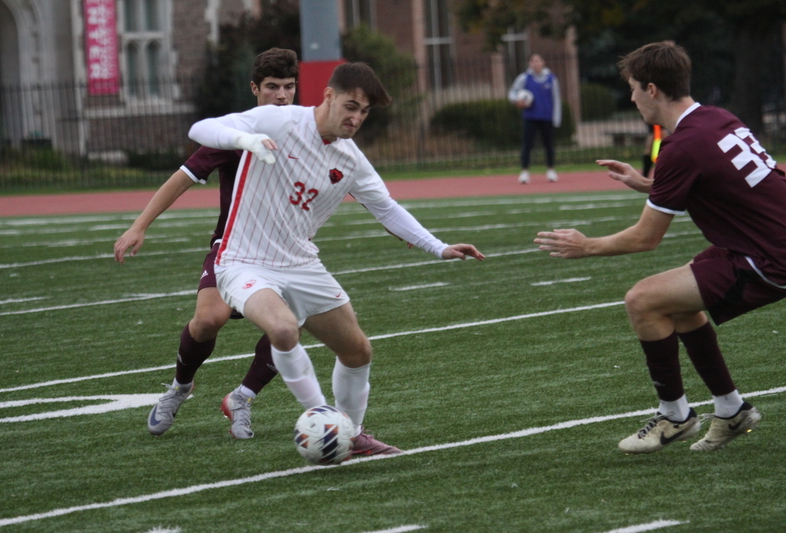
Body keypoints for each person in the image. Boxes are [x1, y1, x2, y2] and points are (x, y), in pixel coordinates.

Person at [188, 62, 485, 455]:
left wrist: (439, 246)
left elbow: (387, 208)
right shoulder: (279, 121)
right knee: (282, 330)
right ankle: (326, 420)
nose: (356, 117)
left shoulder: (350, 160)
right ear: (328, 95)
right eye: (351, 106)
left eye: (364, 112)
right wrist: (244, 140)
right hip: (243, 260)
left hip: (301, 264)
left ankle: (353, 433)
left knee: (357, 350)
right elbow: (200, 128)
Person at [535, 41, 783, 454]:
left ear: (652, 89)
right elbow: (723, 177)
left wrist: (586, 246)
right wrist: (647, 184)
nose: (631, 98)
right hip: (759, 242)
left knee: (643, 300)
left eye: (633, 88)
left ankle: (675, 414)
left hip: (769, 256)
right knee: (678, 304)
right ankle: (731, 409)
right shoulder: (717, 119)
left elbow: (645, 238)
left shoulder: (680, 146)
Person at [113, 48, 300, 439]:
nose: (282, 96)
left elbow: (350, 175)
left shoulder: (308, 132)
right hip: (231, 248)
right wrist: (139, 226)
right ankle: (181, 387)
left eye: (288, 86)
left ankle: (242, 398)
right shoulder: (237, 133)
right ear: (255, 89)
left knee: (284, 328)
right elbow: (182, 177)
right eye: (272, 87)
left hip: (283, 253)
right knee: (207, 321)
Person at [508, 53, 562, 184]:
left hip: (546, 117)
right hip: (530, 117)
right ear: (529, 64)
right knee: (527, 145)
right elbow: (512, 92)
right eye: (533, 61)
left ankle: (550, 170)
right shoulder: (524, 78)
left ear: (543, 62)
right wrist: (517, 100)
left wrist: (556, 118)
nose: (536, 63)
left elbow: (556, 99)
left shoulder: (551, 78)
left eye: (538, 61)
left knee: (549, 145)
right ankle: (525, 172)